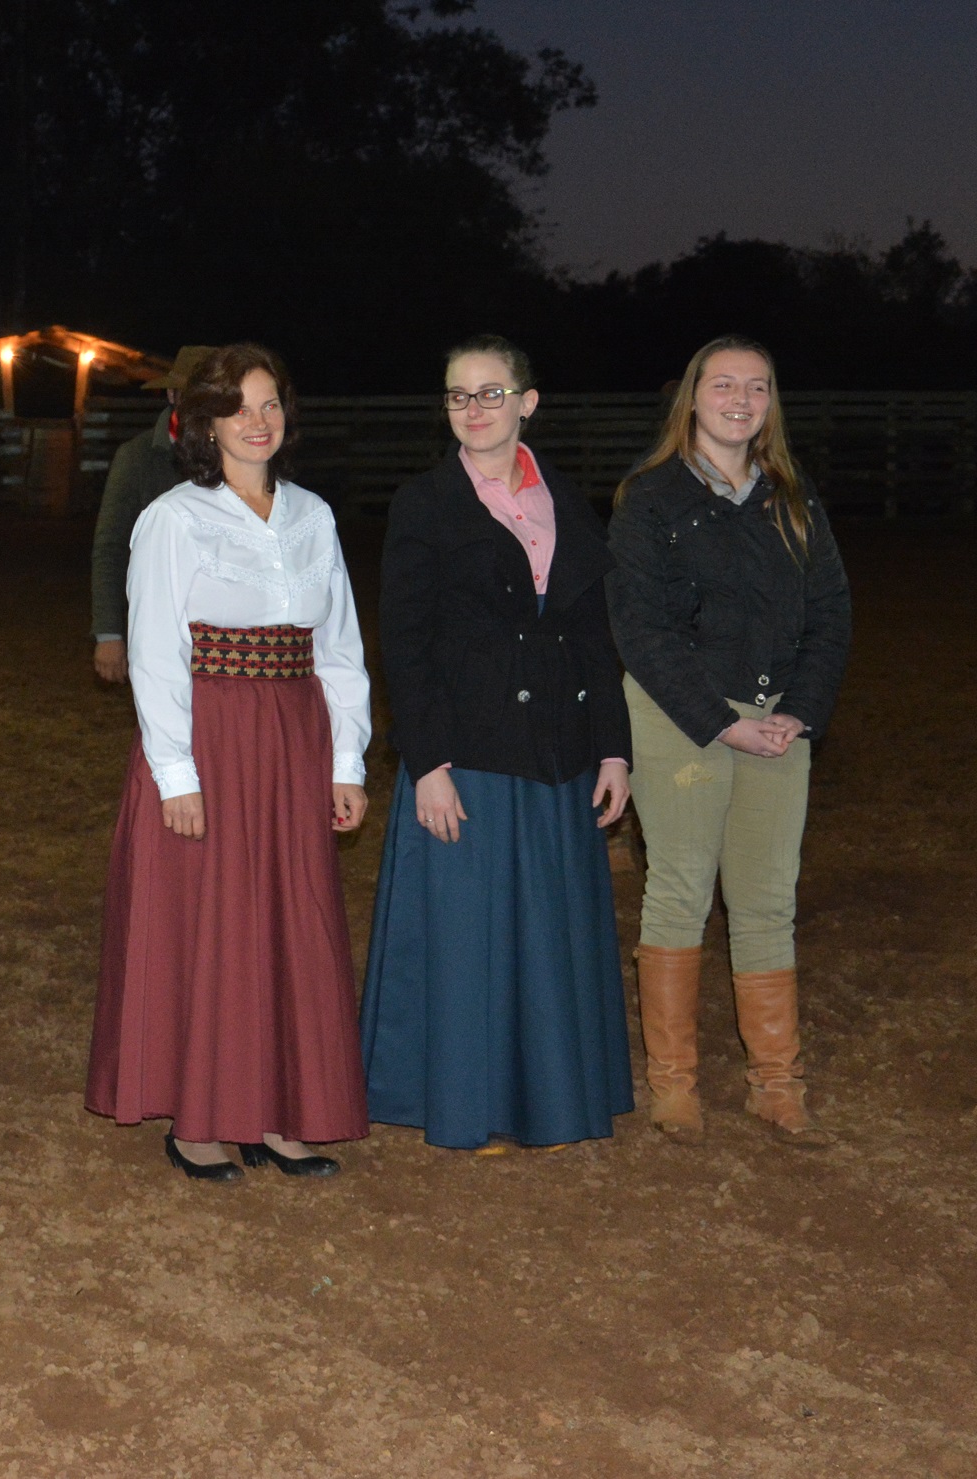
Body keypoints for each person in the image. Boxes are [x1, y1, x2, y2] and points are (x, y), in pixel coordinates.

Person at [89, 342, 373, 1182]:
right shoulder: (174, 518)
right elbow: (154, 651)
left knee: (288, 920)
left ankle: (279, 1111)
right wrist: (176, 773)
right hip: (209, 738)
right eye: (238, 407)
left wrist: (346, 760)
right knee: (212, 925)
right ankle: (201, 1119)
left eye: (270, 403)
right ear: (204, 423)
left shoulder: (313, 516)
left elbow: (341, 646)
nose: (258, 421)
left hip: (294, 739)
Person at [359, 335, 636, 1152]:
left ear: (528, 401)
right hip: (468, 755)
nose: (474, 409)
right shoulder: (425, 502)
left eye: (491, 392)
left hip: (558, 754)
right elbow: (404, 644)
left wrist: (614, 749)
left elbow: (595, 634)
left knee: (547, 936)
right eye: (458, 395)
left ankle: (550, 1099)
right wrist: (427, 764)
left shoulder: (567, 499)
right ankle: (465, 1102)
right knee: (467, 942)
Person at [608, 336, 851, 1147]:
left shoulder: (792, 498)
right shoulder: (651, 499)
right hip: (682, 717)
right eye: (724, 385)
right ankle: (674, 1085)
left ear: (771, 402)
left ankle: (777, 1082)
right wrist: (720, 721)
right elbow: (641, 629)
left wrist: (799, 711)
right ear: (693, 397)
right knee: (681, 889)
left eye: (757, 386)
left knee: (766, 898)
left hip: (777, 722)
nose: (740, 399)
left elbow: (831, 612)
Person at [88, 345, 210, 683]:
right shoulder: (137, 458)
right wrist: (109, 633)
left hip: (228, 633)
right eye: (193, 394)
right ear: (172, 395)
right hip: (160, 628)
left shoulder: (240, 458)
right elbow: (111, 546)